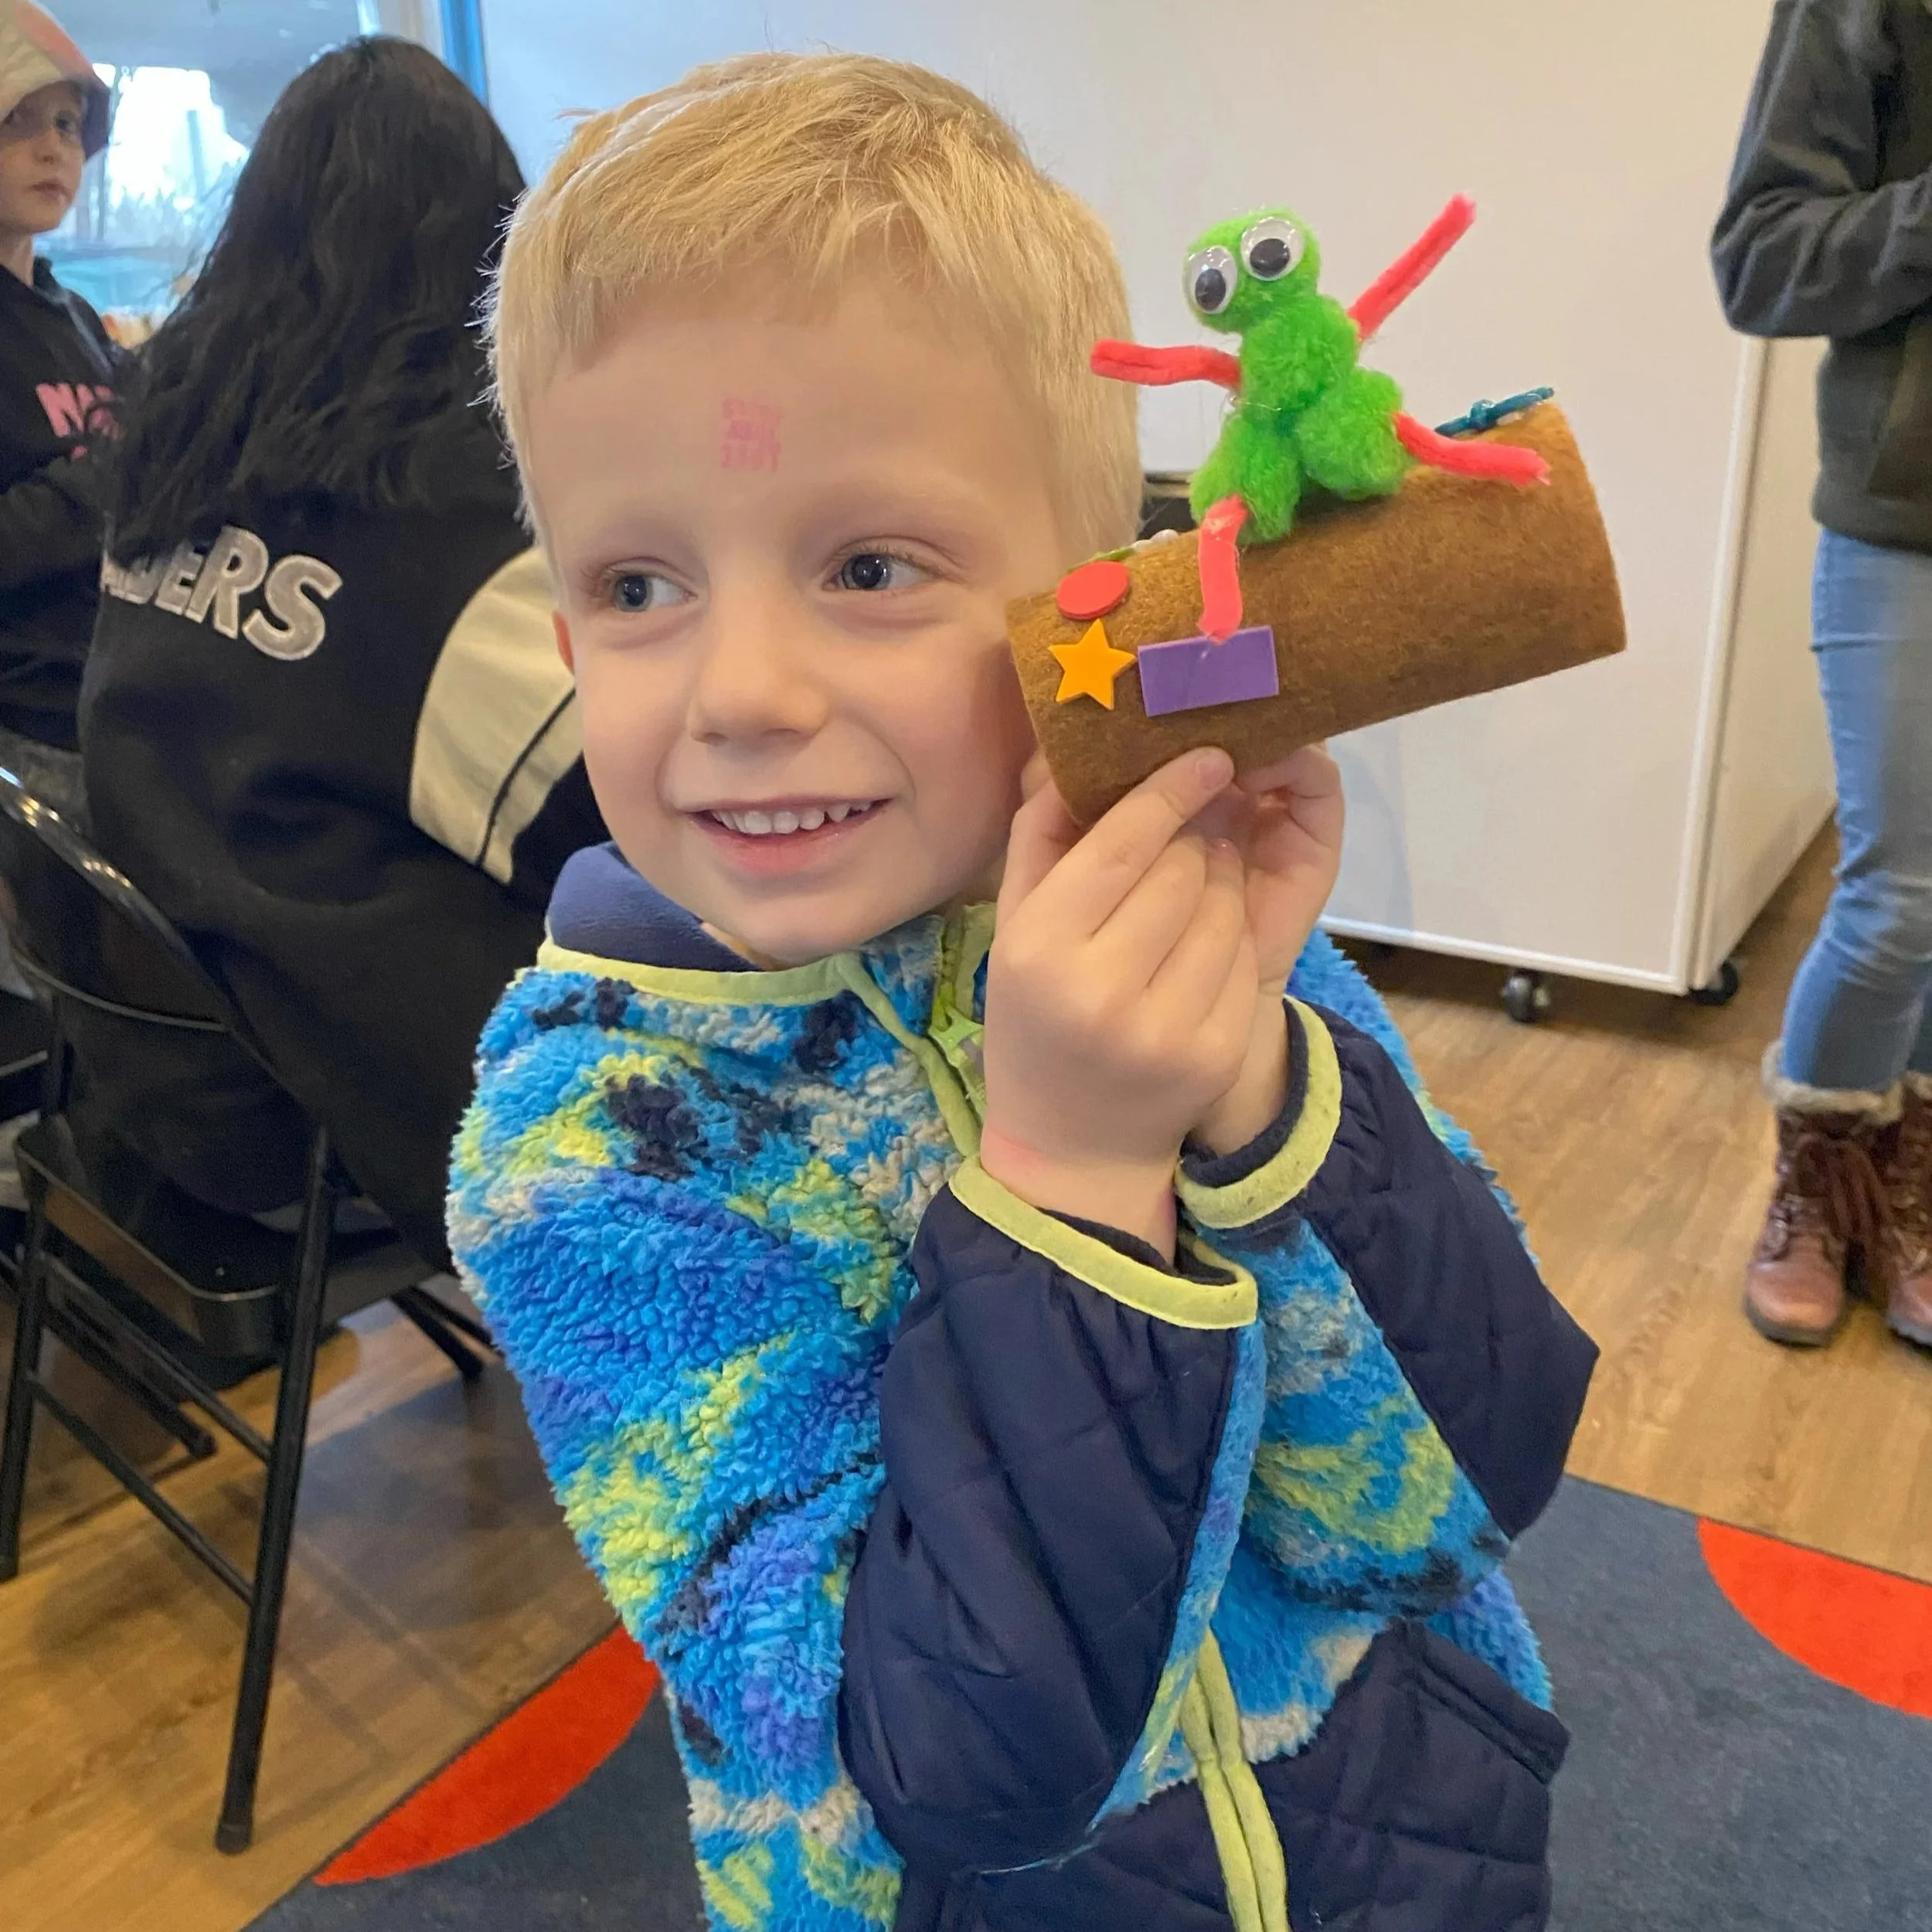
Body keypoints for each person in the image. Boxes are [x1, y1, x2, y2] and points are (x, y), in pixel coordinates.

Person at [448, 53, 1597, 1932]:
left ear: (1091, 602)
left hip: (1412, 1846)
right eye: (641, 584)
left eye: (869, 564)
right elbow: (959, 1770)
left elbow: (1473, 1481)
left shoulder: (1199, 949)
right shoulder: (593, 1150)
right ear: (567, 638)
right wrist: (1070, 1181)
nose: (736, 685)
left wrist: (1251, 1079)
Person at [79, 36, 603, 1271]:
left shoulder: (175, 447)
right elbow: (649, 839)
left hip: (172, 1077)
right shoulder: (450, 530)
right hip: (360, 1124)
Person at [1713, 0, 1932, 1350]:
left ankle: (1900, 1183)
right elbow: (1761, 257)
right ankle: (1820, 1170)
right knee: (1902, 893)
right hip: (1905, 515)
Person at [0, 2, 114, 811]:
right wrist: (113, 476)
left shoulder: (73, 317)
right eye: (19, 120)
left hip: (115, 706)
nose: (53, 148)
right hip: (28, 738)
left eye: (69, 124)